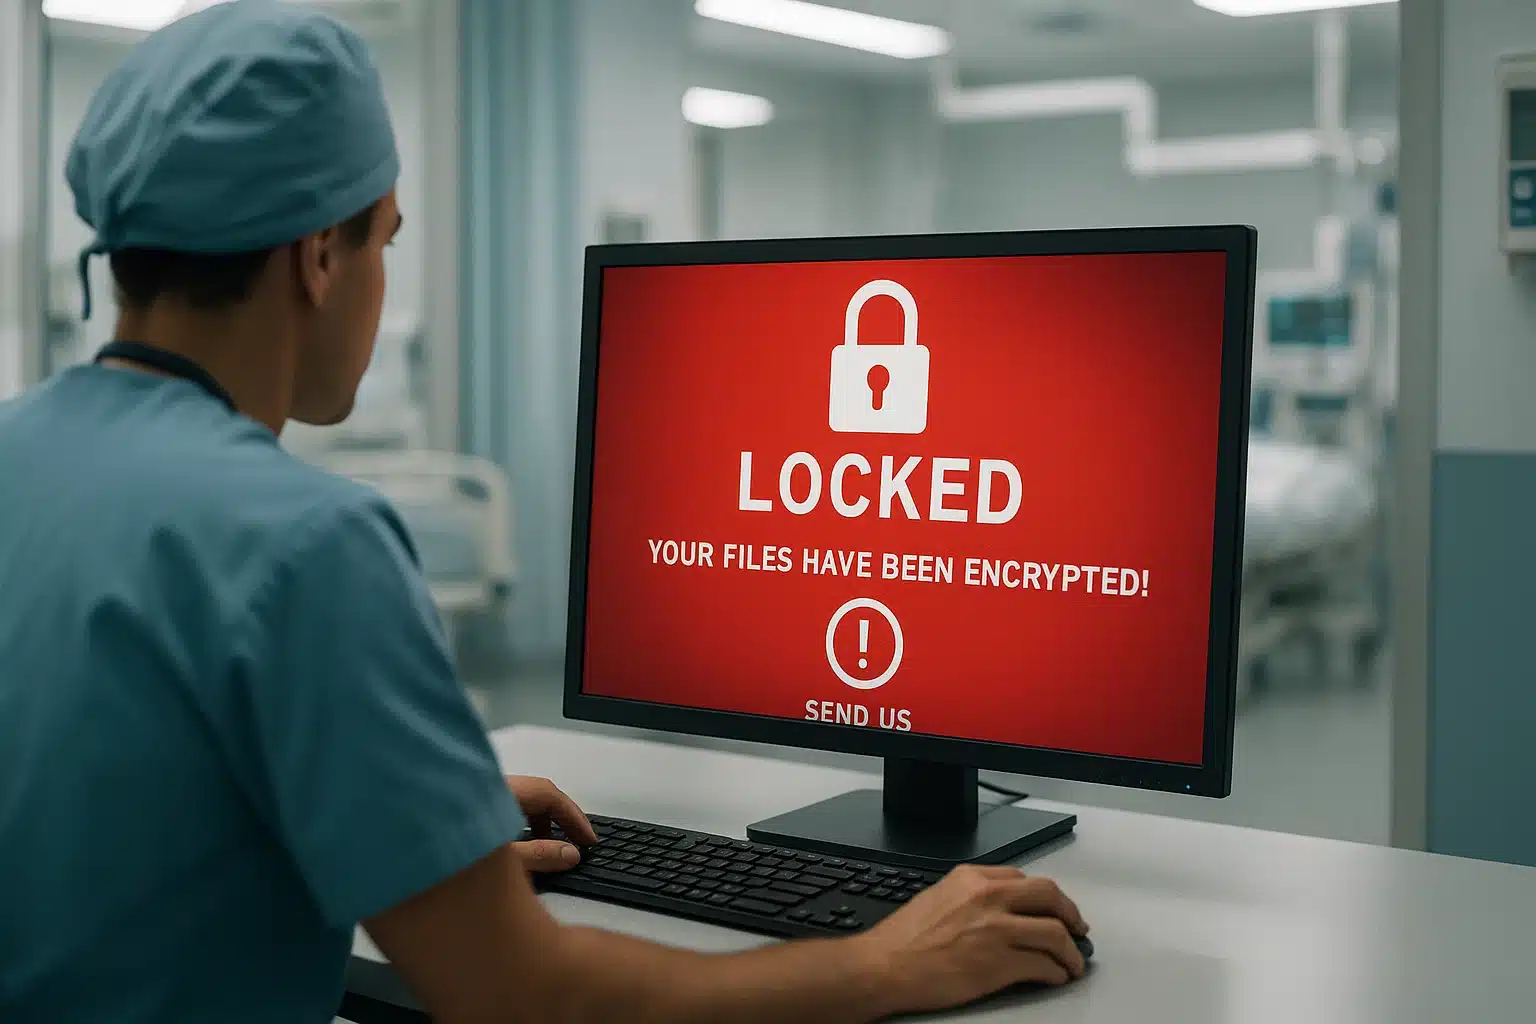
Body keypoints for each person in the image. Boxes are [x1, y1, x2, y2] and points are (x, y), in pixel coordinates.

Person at [0, 2, 1091, 1022]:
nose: (382, 273)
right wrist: (879, 961)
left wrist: (417, 825)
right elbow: (519, 994)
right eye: (385, 239)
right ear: (317, 256)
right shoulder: (304, 544)